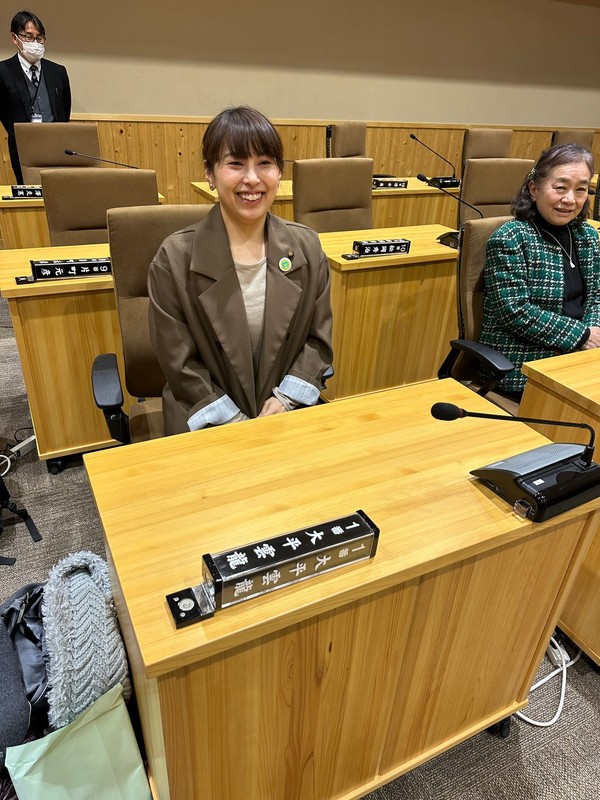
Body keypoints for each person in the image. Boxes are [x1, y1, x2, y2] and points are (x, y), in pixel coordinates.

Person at [148, 106, 333, 436]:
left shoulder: (307, 248)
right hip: (206, 420)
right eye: (236, 164)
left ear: (279, 172)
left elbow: (318, 341)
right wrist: (237, 426)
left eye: (265, 163)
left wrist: (286, 399)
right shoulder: (173, 258)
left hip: (285, 416)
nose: (252, 179)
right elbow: (180, 363)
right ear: (210, 173)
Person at [479, 143, 600, 396]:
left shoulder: (587, 235)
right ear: (534, 189)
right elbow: (515, 312)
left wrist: (593, 335)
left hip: (582, 355)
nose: (570, 199)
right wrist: (582, 336)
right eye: (560, 187)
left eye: (581, 189)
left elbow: (597, 295)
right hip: (525, 361)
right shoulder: (511, 238)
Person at [0, 10, 71, 184]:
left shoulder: (58, 72)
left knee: (59, 191)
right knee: (28, 193)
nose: (35, 43)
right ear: (15, 38)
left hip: (56, 147)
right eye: (29, 37)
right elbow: (4, 113)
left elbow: (64, 110)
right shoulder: (3, 71)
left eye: (39, 38)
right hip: (23, 149)